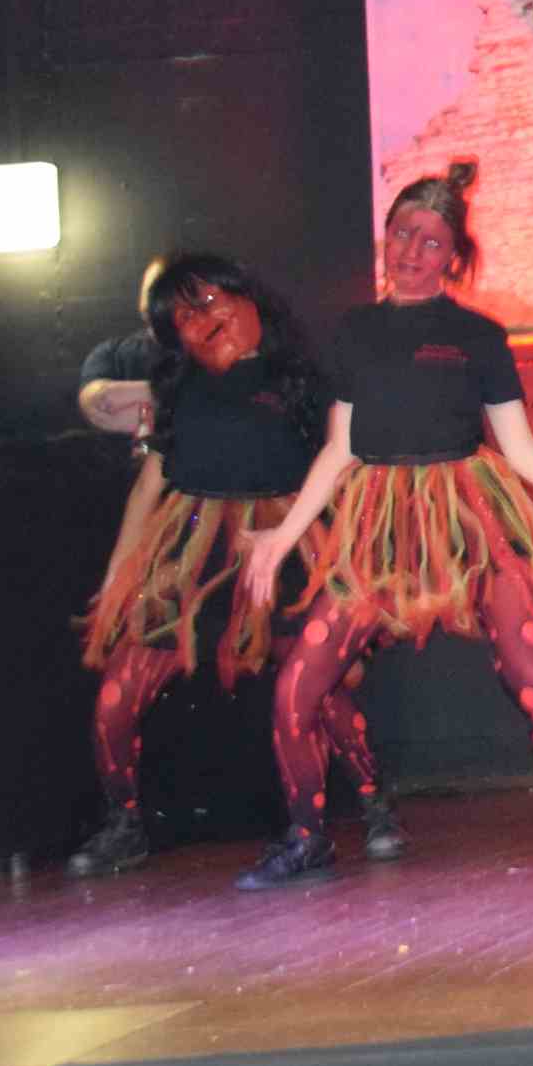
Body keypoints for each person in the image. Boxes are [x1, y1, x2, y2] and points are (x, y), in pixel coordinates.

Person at [233, 163, 533, 886]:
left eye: (431, 242)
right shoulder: (356, 332)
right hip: (378, 525)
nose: (411, 251)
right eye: (403, 233)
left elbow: (521, 449)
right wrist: (282, 535)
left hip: (468, 516)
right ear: (386, 235)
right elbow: (340, 449)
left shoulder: (477, 336)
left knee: (530, 672)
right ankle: (306, 836)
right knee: (296, 688)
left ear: (453, 258)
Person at [64, 254, 401, 877]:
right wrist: (118, 574)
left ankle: (375, 804)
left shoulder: (300, 379)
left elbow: (340, 468)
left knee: (318, 692)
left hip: (281, 546)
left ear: (246, 298)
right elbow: (149, 488)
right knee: (117, 697)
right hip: (191, 549)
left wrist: (343, 558)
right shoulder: (178, 387)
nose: (202, 320)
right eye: (183, 316)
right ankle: (124, 823)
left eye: (210, 301)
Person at [77, 262, 165, 437]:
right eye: (154, 288)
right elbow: (99, 404)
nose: (158, 299)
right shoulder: (112, 353)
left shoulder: (216, 354)